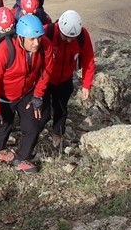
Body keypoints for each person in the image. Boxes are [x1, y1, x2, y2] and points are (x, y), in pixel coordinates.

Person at [0, 14, 51, 174]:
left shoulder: (45, 46)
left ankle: (22, 157)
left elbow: (46, 71)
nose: (37, 43)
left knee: (34, 124)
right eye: (32, 39)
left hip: (26, 93)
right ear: (20, 37)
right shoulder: (3, 52)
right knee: (2, 128)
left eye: (39, 38)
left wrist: (37, 95)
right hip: (4, 97)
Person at [40, 10, 96, 153]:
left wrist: (86, 84)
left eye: (73, 38)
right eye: (66, 38)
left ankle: (57, 136)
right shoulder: (47, 32)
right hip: (45, 80)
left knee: (61, 110)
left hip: (65, 80)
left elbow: (88, 59)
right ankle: (34, 136)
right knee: (43, 112)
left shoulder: (82, 36)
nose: (70, 41)